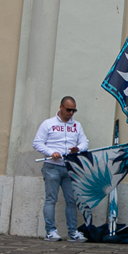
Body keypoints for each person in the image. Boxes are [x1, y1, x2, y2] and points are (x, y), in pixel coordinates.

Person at [32, 96, 89, 242]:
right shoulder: (48, 124)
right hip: (52, 166)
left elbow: (85, 142)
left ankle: (73, 232)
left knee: (71, 200)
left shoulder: (76, 125)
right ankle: (50, 231)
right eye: (68, 110)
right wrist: (51, 153)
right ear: (61, 107)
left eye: (73, 110)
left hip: (69, 167)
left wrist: (78, 149)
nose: (71, 113)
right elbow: (37, 143)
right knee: (51, 199)